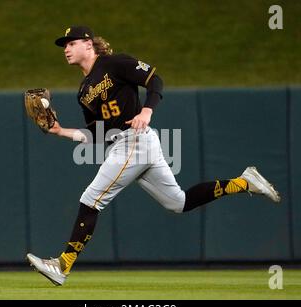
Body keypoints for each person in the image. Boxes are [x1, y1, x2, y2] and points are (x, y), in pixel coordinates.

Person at [26, 26, 281, 286]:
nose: (66, 49)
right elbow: (97, 135)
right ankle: (244, 182)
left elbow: (154, 80)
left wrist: (147, 110)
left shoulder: (114, 63)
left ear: (88, 44)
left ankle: (62, 265)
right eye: (64, 45)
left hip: (134, 141)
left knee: (91, 199)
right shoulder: (83, 92)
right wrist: (59, 131)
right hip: (124, 144)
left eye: (71, 43)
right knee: (178, 202)